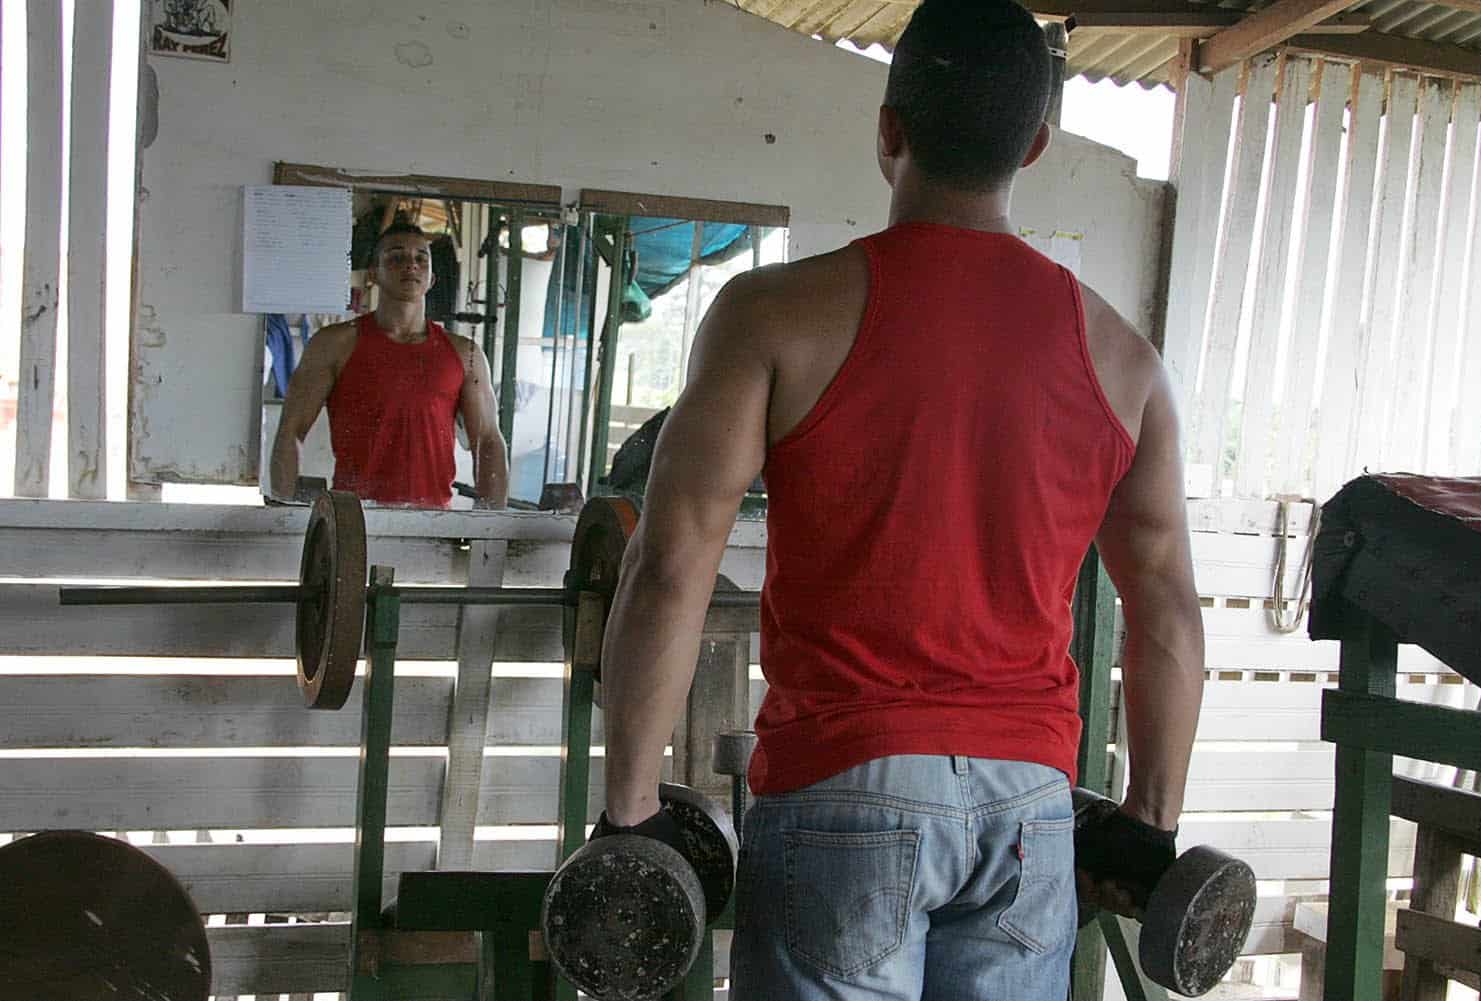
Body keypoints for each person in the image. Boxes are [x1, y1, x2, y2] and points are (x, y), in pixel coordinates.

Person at [591, 1, 1205, 998]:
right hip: (1028, 808)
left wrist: (629, 812)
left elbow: (670, 563)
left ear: (888, 128)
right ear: (1036, 144)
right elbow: (1168, 603)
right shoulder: (1126, 361)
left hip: (845, 780)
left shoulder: (771, 315)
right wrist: (1148, 823)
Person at [269, 222, 509, 508]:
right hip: (354, 520)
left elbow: (488, 441)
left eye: (421, 258)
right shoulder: (334, 344)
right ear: (374, 275)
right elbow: (290, 431)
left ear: (432, 278)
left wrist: (489, 533)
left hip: (434, 523)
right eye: (396, 257)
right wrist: (284, 514)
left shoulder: (465, 354)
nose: (411, 265)